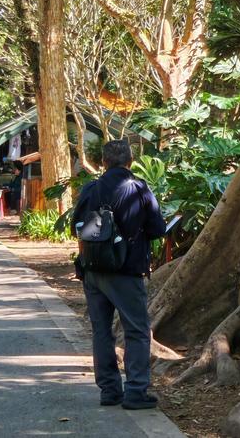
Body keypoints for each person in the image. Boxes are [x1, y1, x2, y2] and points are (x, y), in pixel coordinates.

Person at [71, 139, 166, 409]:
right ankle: (136, 391)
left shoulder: (91, 189)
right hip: (126, 271)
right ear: (131, 161)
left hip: (93, 271)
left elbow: (78, 228)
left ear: (103, 162)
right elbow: (158, 229)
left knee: (101, 331)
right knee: (136, 330)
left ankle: (109, 391)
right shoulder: (139, 189)